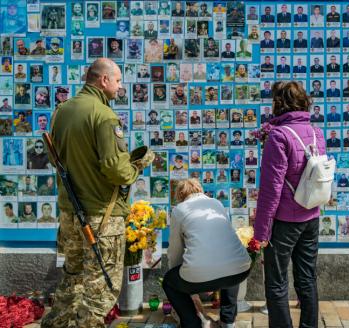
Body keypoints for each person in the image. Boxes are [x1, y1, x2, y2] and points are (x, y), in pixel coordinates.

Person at [41, 58, 153, 327]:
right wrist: (137, 166)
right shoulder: (104, 116)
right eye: (117, 80)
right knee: (101, 290)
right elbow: (117, 171)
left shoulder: (62, 112)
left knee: (73, 280)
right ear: (103, 80)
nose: (120, 86)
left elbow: (54, 155)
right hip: (102, 217)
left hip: (70, 215)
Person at [254, 81, 325, 328]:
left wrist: (261, 232)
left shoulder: (279, 136)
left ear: (278, 103)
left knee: (276, 282)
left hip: (285, 221)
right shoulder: (316, 132)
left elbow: (271, 189)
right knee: (307, 278)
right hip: (311, 216)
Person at [164, 179, 251, 327]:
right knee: (230, 266)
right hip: (241, 268)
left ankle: (193, 323)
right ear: (200, 190)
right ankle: (228, 321)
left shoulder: (179, 210)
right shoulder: (216, 203)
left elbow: (175, 251)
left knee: (169, 282)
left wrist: (181, 275)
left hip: (200, 273)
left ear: (179, 195)